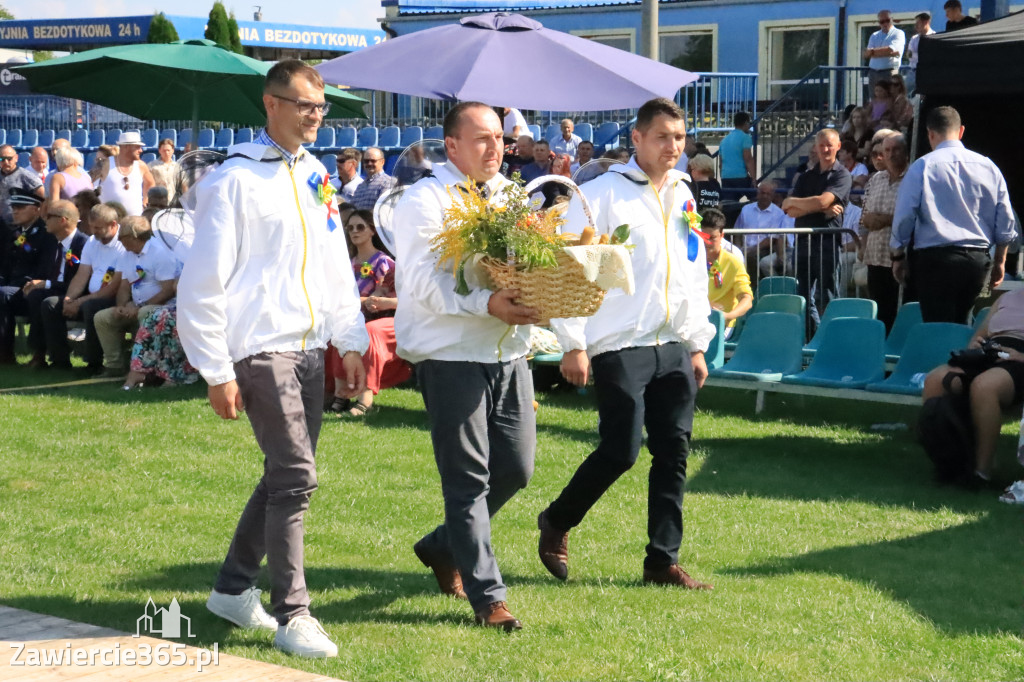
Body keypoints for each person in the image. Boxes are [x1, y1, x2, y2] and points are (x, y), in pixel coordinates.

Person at [177, 59, 368, 659]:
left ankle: (233, 590)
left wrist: (353, 337)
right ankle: (294, 614)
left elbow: (335, 265)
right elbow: (202, 281)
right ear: (271, 104)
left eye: (321, 107)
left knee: (284, 477)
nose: (316, 116)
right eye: (306, 105)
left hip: (311, 347)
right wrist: (214, 368)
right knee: (295, 478)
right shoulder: (232, 180)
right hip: (260, 348)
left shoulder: (316, 175)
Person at [541, 97, 715, 593]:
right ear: (636, 139)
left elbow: (689, 270)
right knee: (621, 449)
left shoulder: (683, 192)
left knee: (674, 452)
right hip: (618, 341)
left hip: (673, 342)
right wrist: (573, 342)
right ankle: (557, 519)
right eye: (662, 137)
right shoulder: (597, 194)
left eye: (679, 138)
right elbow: (567, 270)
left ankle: (662, 561)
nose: (673, 147)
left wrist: (696, 342)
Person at [393, 101, 540, 631]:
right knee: (467, 478)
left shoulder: (511, 196)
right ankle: (489, 598)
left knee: (517, 468)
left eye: (499, 138)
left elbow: (532, 266)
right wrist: (485, 303)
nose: (494, 148)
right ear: (450, 146)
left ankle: (440, 545)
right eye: (481, 139)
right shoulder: (425, 198)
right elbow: (421, 281)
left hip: (506, 349)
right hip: (449, 351)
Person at [891, 106, 1016, 324]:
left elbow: (904, 216)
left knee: (938, 326)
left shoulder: (923, 166)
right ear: (961, 131)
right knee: (963, 324)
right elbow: (1005, 219)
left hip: (936, 260)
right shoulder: (989, 166)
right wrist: (1000, 260)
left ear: (930, 133)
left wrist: (898, 256)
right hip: (976, 261)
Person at [921, 288, 1024, 485]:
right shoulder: (1007, 298)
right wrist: (976, 343)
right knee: (936, 380)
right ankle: (947, 463)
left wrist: (1020, 356)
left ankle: (982, 470)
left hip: (1019, 360)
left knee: (984, 386)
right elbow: (980, 334)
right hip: (991, 352)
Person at [782, 128, 852, 337]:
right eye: (821, 145)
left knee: (827, 295)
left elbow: (819, 201)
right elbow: (789, 210)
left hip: (827, 242)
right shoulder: (806, 177)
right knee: (803, 297)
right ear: (816, 148)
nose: (825, 149)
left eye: (829, 144)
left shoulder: (842, 174)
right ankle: (814, 340)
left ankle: (831, 340)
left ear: (838, 146)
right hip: (803, 242)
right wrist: (821, 206)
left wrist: (798, 201)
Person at [92, 215, 179, 377]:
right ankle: (114, 366)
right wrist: (122, 306)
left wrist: (139, 306)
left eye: (121, 237)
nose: (118, 240)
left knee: (145, 314)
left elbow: (168, 290)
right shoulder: (127, 255)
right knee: (102, 318)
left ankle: (147, 369)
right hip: (136, 306)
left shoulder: (159, 253)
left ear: (133, 236)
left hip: (163, 308)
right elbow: (124, 286)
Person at [41, 203, 124, 371]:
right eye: (92, 227)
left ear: (113, 224)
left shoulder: (123, 244)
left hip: (113, 299)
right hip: (91, 296)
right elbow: (81, 275)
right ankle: (59, 361)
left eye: (98, 228)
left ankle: (94, 363)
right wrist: (69, 299)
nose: (93, 232)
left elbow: (114, 287)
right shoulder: (93, 241)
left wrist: (80, 301)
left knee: (90, 306)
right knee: (50, 304)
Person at [21, 200, 88, 368]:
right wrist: (34, 283)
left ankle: (55, 358)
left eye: (48, 216)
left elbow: (79, 282)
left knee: (45, 301)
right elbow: (43, 271)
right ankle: (37, 353)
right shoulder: (51, 242)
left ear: (62, 220)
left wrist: (46, 284)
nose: (44, 220)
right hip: (53, 290)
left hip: (76, 294)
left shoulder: (83, 244)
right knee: (29, 295)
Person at [0, 188, 57, 363]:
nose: (15, 211)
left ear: (35, 209)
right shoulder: (15, 233)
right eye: (13, 207)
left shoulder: (46, 234)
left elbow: (44, 268)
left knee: (1, 294)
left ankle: (5, 353)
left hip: (30, 288)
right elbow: (6, 264)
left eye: (20, 207)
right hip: (11, 287)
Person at [859, 134, 908, 332]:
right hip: (875, 257)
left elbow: (911, 217)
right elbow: (865, 218)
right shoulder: (875, 180)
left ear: (905, 152)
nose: (890, 154)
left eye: (896, 149)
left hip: (901, 259)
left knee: (900, 313)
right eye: (886, 151)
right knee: (879, 312)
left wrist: (885, 219)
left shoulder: (913, 178)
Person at [703, 208, 752, 334]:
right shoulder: (690, 259)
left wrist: (727, 316)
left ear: (722, 236)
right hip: (696, 320)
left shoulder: (733, 261)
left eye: (712, 238)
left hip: (723, 325)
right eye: (703, 237)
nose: (707, 243)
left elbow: (746, 299)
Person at [733, 180, 788, 276]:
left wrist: (752, 249)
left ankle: (753, 287)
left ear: (773, 195)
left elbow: (771, 239)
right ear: (757, 193)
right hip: (744, 248)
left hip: (765, 250)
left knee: (750, 257)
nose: (765, 196)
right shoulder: (746, 209)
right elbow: (737, 232)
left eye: (768, 194)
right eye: (762, 193)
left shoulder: (778, 213)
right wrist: (737, 248)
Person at [97, 131, 154, 216]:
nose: (141, 150)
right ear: (126, 147)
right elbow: (89, 183)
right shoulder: (106, 164)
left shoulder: (141, 165)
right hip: (109, 221)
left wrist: (145, 201)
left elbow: (150, 183)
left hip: (134, 221)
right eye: (137, 147)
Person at [0, 145, 44, 227]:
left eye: (9, 159)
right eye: (1, 159)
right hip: (2, 225)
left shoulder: (25, 176)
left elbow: (42, 196)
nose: (6, 162)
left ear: (16, 158)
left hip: (19, 226)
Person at [863, 10, 906, 93]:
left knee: (890, 99)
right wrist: (885, 53)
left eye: (887, 20)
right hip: (873, 72)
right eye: (882, 21)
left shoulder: (898, 33)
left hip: (889, 72)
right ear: (879, 22)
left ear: (892, 19)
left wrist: (873, 52)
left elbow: (890, 50)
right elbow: (867, 54)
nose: (885, 24)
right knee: (875, 101)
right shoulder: (874, 35)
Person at [719, 111, 755, 198]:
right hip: (741, 176)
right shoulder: (745, 137)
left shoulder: (724, 140)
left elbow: (721, 164)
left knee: (729, 205)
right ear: (746, 123)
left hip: (726, 177)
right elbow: (748, 159)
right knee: (756, 198)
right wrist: (754, 179)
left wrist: (723, 177)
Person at [351, 146, 395, 211]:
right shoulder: (360, 187)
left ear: (382, 162)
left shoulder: (388, 182)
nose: (369, 163)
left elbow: (382, 210)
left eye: (373, 161)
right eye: (366, 161)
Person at [905, 12, 935, 95]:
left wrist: (916, 54)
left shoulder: (935, 37)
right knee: (904, 93)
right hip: (913, 72)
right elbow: (909, 55)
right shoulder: (914, 39)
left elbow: (932, 56)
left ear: (926, 22)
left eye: (918, 23)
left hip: (928, 73)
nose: (916, 26)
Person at [147, 138, 179, 205]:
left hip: (173, 201)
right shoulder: (151, 166)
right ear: (159, 151)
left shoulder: (177, 167)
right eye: (164, 150)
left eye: (168, 150)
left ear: (173, 151)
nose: (166, 153)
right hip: (157, 202)